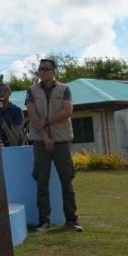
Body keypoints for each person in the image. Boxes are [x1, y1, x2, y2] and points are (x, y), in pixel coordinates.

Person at [25, 58, 83, 232]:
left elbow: (68, 111)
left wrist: (48, 122)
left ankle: (72, 220)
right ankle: (44, 221)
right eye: (40, 69)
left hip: (62, 141)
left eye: (45, 69)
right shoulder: (32, 90)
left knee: (67, 181)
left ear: (53, 71)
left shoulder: (64, 89)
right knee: (42, 182)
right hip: (40, 141)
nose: (42, 72)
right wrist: (45, 137)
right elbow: (33, 115)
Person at [0, 82, 24, 146]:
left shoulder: (16, 110)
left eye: (5, 91)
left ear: (10, 93)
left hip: (13, 147)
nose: (1, 93)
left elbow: (16, 133)